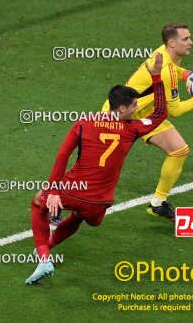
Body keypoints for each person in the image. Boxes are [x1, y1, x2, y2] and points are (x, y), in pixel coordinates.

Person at [25, 53, 165, 285]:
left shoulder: (84, 123)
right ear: (121, 108)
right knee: (80, 215)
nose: (137, 108)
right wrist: (157, 77)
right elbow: (161, 113)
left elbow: (62, 155)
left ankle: (44, 259)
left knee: (37, 201)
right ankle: (47, 249)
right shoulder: (133, 130)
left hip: (74, 190)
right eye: (134, 105)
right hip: (101, 202)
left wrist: (52, 192)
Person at [100, 22, 193, 221]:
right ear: (172, 42)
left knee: (179, 150)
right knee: (95, 165)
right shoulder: (166, 70)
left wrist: (188, 74)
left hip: (143, 113)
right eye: (185, 39)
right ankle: (54, 200)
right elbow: (176, 110)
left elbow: (174, 71)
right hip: (117, 115)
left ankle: (157, 203)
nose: (190, 42)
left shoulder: (165, 53)